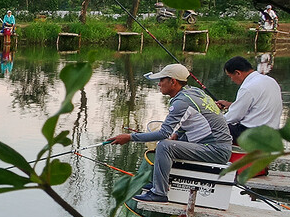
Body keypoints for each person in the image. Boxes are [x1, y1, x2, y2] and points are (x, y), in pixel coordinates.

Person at [109, 63, 231, 204]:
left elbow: (163, 133)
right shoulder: (194, 92)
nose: (159, 84)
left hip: (216, 150)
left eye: (162, 80)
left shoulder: (181, 101)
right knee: (170, 143)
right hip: (213, 145)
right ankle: (158, 183)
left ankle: (159, 193)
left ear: (173, 82)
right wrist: (178, 134)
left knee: (165, 146)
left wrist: (130, 137)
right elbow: (191, 120)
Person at [217, 56, 284, 142]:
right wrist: (231, 105)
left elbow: (233, 117)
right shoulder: (270, 81)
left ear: (238, 73)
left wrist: (215, 119)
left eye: (230, 76)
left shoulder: (247, 88)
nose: (232, 80)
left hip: (251, 133)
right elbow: (258, 107)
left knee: (213, 128)